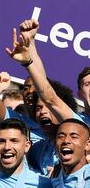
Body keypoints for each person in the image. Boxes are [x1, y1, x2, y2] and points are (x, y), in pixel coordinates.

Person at [6, 19, 81, 176]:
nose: (42, 112)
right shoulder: (39, 149)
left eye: (47, 108)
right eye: (38, 108)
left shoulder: (79, 128)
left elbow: (49, 96)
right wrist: (30, 42)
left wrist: (29, 62)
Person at [51, 118, 90, 187]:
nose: (66, 141)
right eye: (61, 136)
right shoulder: (54, 177)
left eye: (74, 137)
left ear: (87, 145)